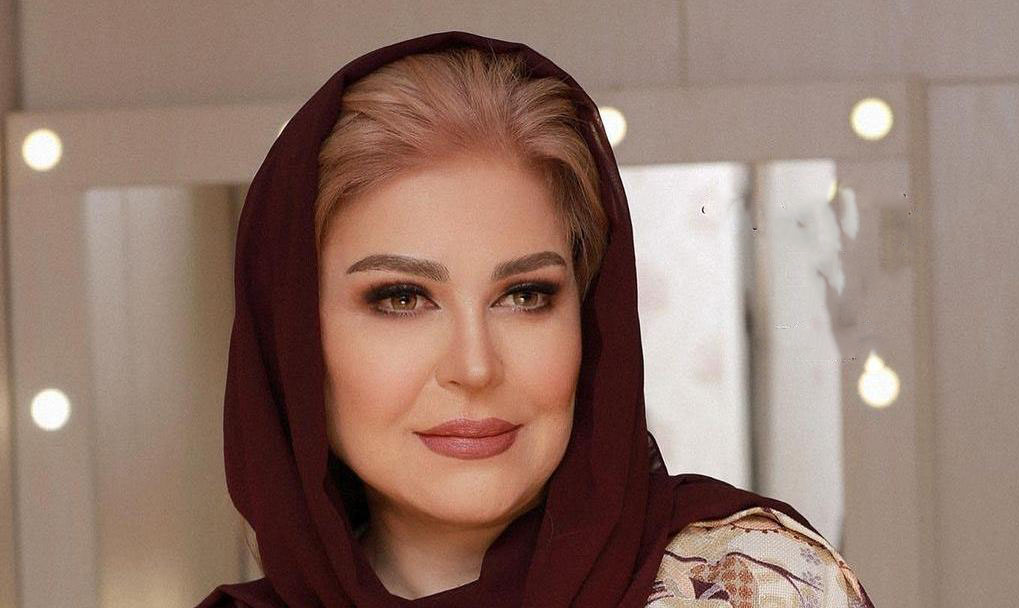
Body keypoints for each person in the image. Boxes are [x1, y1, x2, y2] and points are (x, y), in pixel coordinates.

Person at [196, 31, 875, 607]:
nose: (474, 366)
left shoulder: (752, 586)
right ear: (292, 341)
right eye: (401, 298)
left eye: (524, 295)